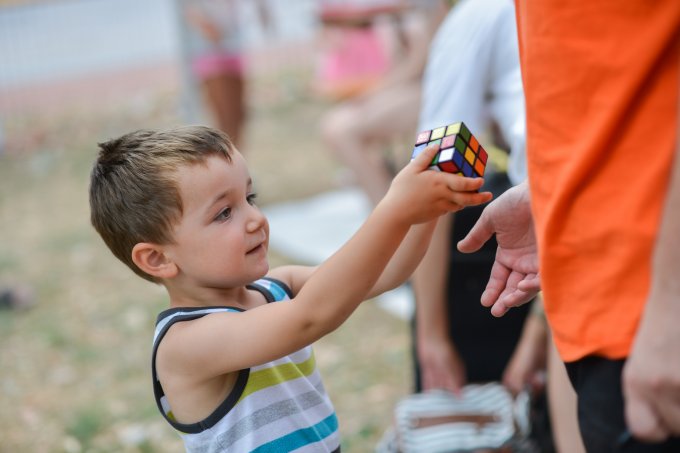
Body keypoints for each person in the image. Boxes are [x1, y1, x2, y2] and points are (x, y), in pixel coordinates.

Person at [88, 125, 491, 451]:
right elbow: (311, 317)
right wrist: (392, 208)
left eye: (250, 197)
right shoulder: (186, 343)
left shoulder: (276, 287)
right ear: (157, 259)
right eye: (224, 213)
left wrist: (429, 211)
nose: (255, 219)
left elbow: (386, 273)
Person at [456, 0, 680, 450]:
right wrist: (552, 193)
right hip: (592, 303)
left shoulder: (468, 23)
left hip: (648, 318)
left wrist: (671, 307)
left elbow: (443, 141)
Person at [320, 0, 447, 205]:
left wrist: (375, 91)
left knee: (342, 131)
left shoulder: (424, 9)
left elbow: (419, 62)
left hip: (429, 90)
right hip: (405, 87)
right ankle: (385, 206)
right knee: (335, 126)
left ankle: (386, 209)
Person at [180, 0, 270, 149]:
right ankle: (226, 161)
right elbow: (194, 16)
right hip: (210, 56)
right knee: (224, 118)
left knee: (239, 116)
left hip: (234, 52)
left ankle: (236, 160)